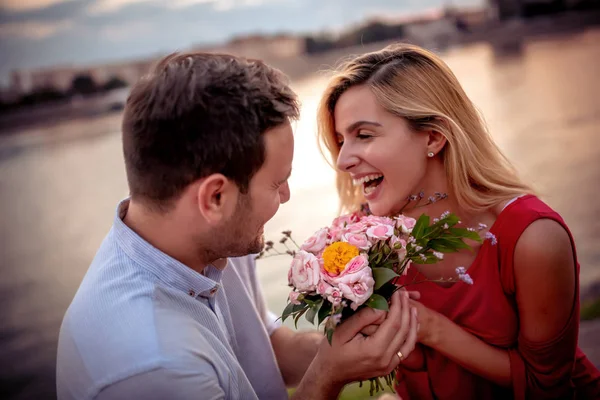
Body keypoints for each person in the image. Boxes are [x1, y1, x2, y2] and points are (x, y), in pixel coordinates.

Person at [56, 52, 419, 400]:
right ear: (215, 197)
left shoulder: (210, 238)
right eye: (277, 184)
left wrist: (351, 348)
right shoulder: (153, 366)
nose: (288, 195)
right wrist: (329, 375)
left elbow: (261, 347)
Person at [316, 43, 600, 399]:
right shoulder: (362, 239)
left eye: (364, 135)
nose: (342, 160)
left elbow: (547, 387)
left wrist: (430, 327)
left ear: (433, 136)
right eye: (341, 140)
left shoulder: (532, 239)